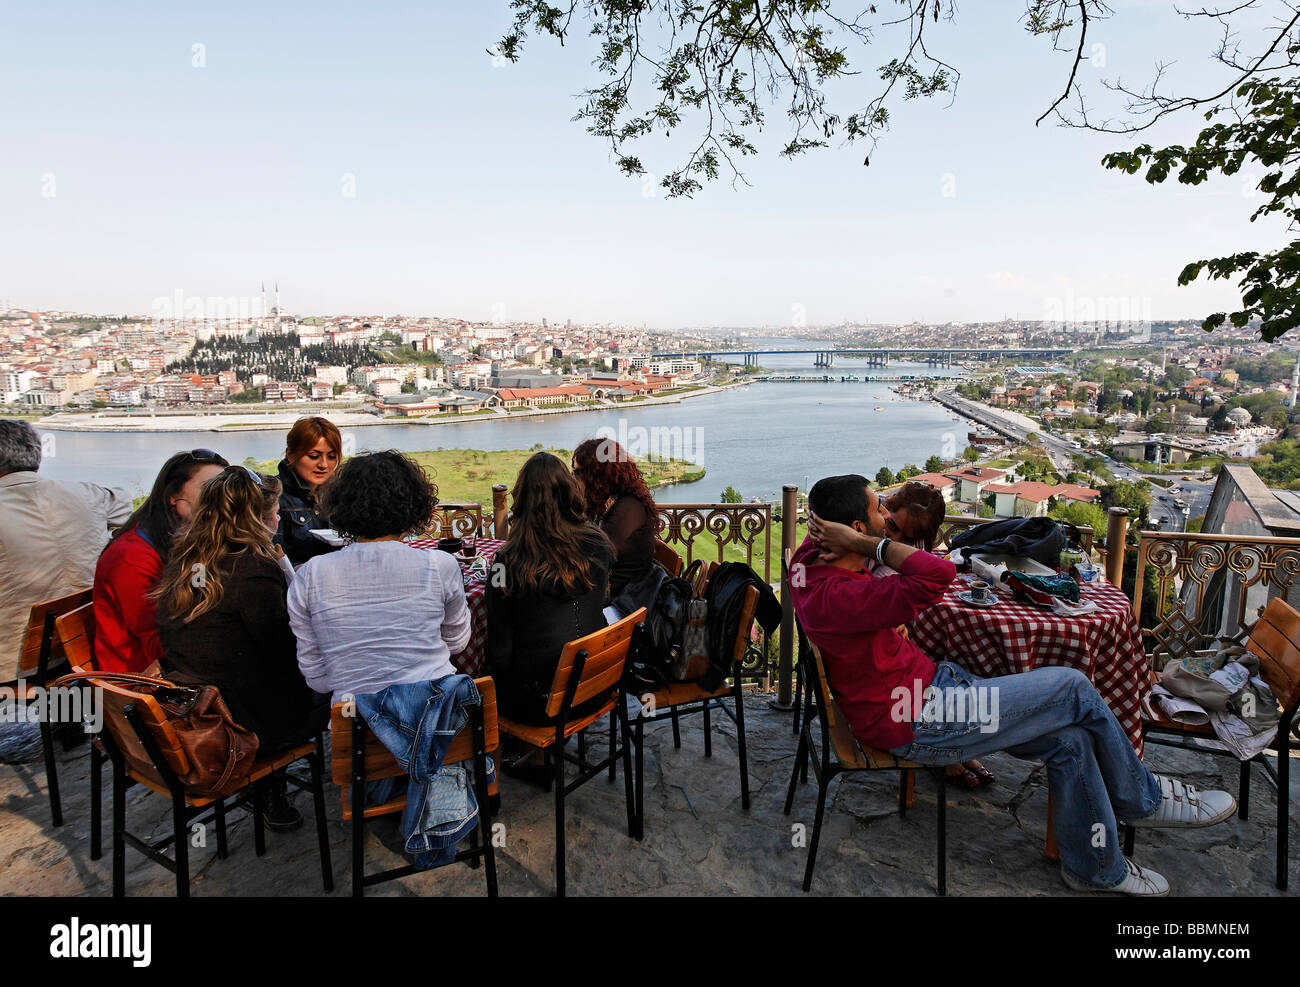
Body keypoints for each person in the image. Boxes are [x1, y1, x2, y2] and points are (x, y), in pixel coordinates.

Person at [791, 474, 1236, 896]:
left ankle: (1095, 869)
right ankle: (1143, 800)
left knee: (1072, 739)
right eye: (878, 509)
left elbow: (901, 572)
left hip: (934, 689)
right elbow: (939, 576)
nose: (887, 515)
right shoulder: (847, 596)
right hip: (919, 719)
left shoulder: (807, 562)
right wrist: (867, 544)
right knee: (1073, 686)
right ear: (851, 530)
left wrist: (853, 541)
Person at [155, 465, 323, 830]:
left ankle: (266, 787)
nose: (279, 517)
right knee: (343, 691)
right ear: (255, 519)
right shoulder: (253, 571)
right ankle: (371, 778)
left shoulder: (187, 561)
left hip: (194, 708)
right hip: (244, 725)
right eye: (275, 511)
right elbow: (290, 658)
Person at [287, 450, 470, 701]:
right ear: (413, 507)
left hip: (355, 728)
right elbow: (457, 643)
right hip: (438, 720)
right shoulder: (440, 565)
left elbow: (318, 679)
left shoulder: (310, 575)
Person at [867, 480, 994, 789]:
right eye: (893, 526)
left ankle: (954, 748)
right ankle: (948, 752)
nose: (893, 536)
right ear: (887, 507)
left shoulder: (904, 551)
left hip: (895, 640)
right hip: (885, 667)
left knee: (947, 655)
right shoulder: (867, 528)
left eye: (909, 538)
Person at [486, 452, 614, 729]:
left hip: (540, 704)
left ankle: (517, 755)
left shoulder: (505, 565)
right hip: (597, 685)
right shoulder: (598, 545)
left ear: (522, 499)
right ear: (569, 492)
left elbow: (498, 651)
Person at [0, 420, 132, 677]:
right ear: (36, 458)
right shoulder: (89, 494)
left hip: (12, 665)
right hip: (80, 646)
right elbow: (132, 510)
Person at [93, 449, 228, 673]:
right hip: (139, 680)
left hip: (177, 663)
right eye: (208, 489)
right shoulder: (131, 556)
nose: (219, 499)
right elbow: (156, 640)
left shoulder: (188, 543)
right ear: (173, 495)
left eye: (223, 490)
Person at [571, 437, 656, 598]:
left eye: (577, 472)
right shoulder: (610, 502)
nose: (572, 479)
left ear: (596, 476)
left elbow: (590, 561)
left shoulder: (627, 510)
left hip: (625, 603)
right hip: (614, 594)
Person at [275, 416, 343, 566]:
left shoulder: (341, 494)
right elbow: (275, 559)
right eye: (313, 456)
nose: (323, 465)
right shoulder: (274, 497)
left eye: (332, 457)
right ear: (290, 454)